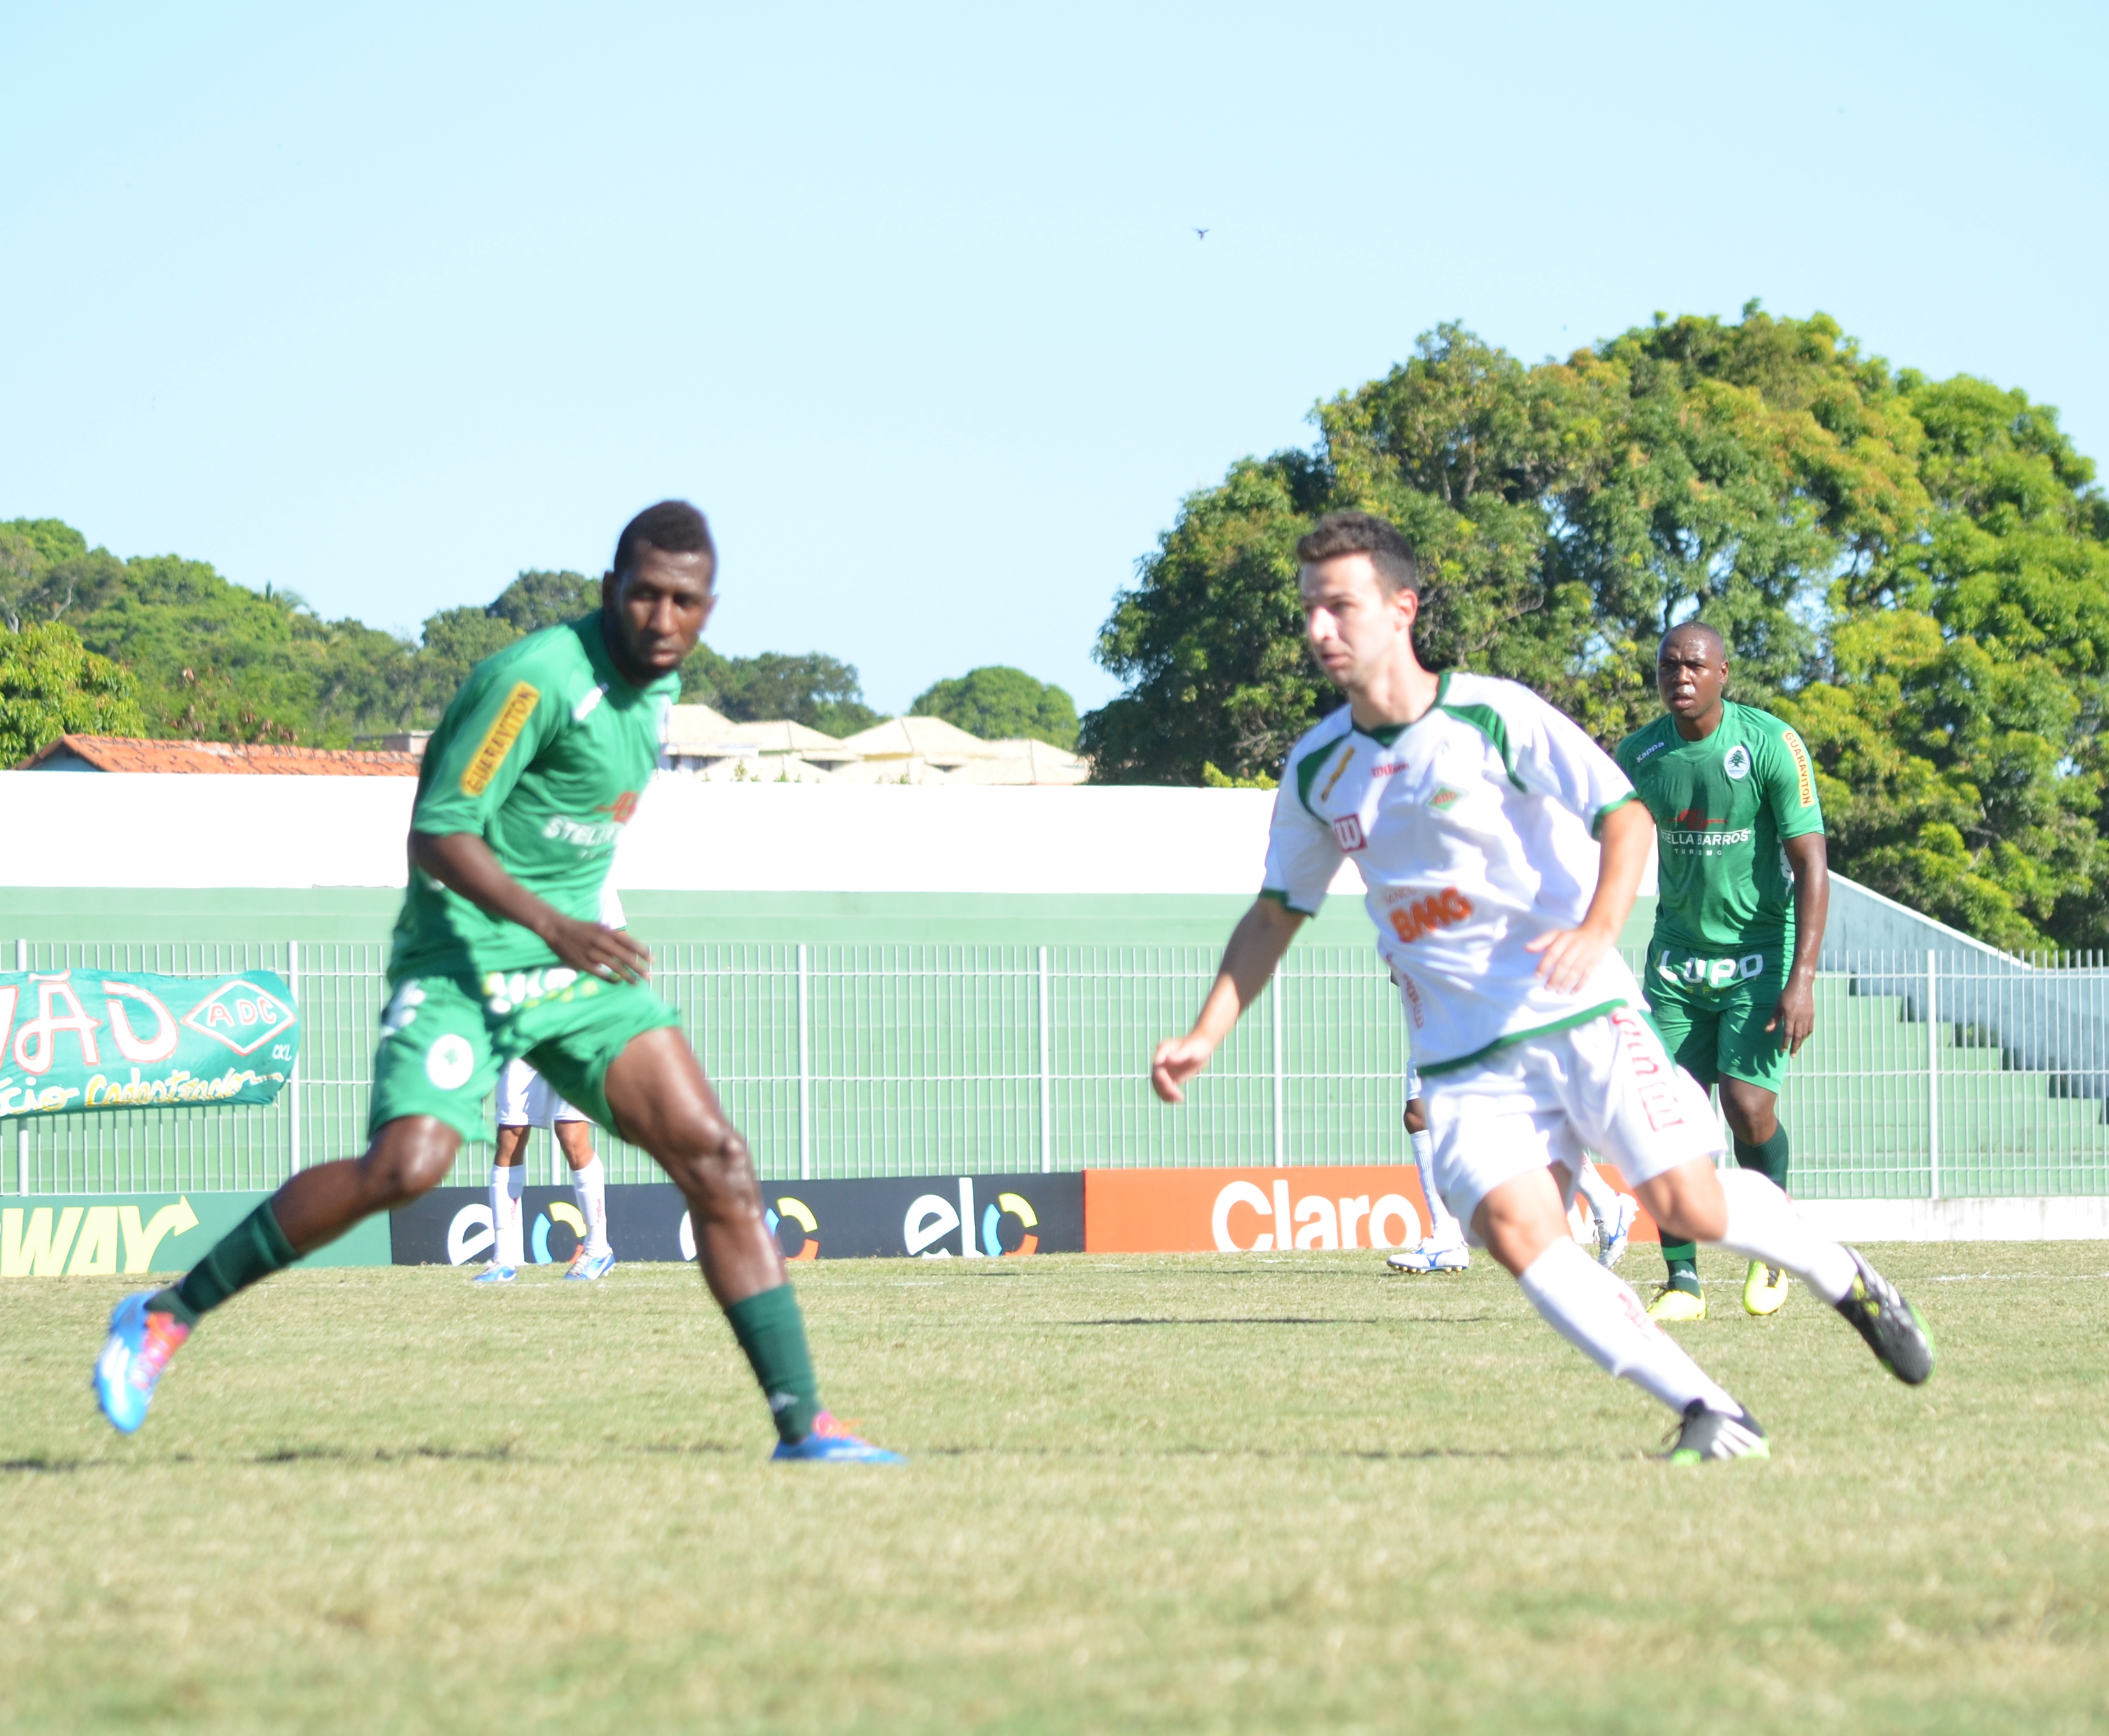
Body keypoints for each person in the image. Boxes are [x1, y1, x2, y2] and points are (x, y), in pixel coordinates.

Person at [94, 500, 900, 1463]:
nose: (660, 617)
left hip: (571, 971)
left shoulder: (656, 703)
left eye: (682, 601)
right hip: (464, 959)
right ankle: (164, 1316)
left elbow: (571, 833)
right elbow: (438, 832)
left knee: (717, 1157)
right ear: (611, 590)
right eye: (642, 594)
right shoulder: (535, 681)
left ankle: (802, 1423)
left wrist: (580, 930)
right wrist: (553, 923)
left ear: (707, 609)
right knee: (409, 1167)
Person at [1153, 510, 1931, 1460]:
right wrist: (1206, 1030)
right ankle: (1708, 1407)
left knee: (1685, 1204)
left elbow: (1626, 817)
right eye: (1310, 610)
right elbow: (1276, 912)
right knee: (1516, 1232)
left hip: (1580, 1010)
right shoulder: (1319, 768)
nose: (1320, 629)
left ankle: (1840, 1272)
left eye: (1340, 606)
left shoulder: (1493, 715)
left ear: (1400, 609)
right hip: (1461, 1057)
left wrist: (1598, 928)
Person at [1616, 622, 1827, 1323]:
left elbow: (1812, 866)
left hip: (1759, 958)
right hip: (1676, 963)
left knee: (1746, 1107)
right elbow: (1605, 847)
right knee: (1665, 1121)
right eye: (1668, 665)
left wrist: (1803, 978)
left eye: (1694, 664)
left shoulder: (1770, 742)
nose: (1680, 675)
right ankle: (1682, 1280)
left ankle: (1775, 1245)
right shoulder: (1640, 754)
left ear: (1723, 673)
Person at [477, 1057, 614, 1283]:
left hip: (570, 1036)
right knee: (510, 1135)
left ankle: (598, 1249)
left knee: (570, 1133)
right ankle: (503, 1259)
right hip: (524, 1042)